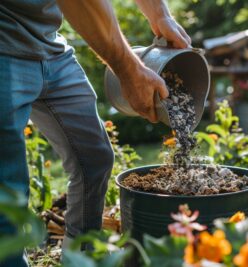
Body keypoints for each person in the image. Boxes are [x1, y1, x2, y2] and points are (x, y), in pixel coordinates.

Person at [0, 0, 191, 266]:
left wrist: (160, 16)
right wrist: (129, 70)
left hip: (51, 49)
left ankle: (80, 257)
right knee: (6, 186)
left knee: (94, 158)